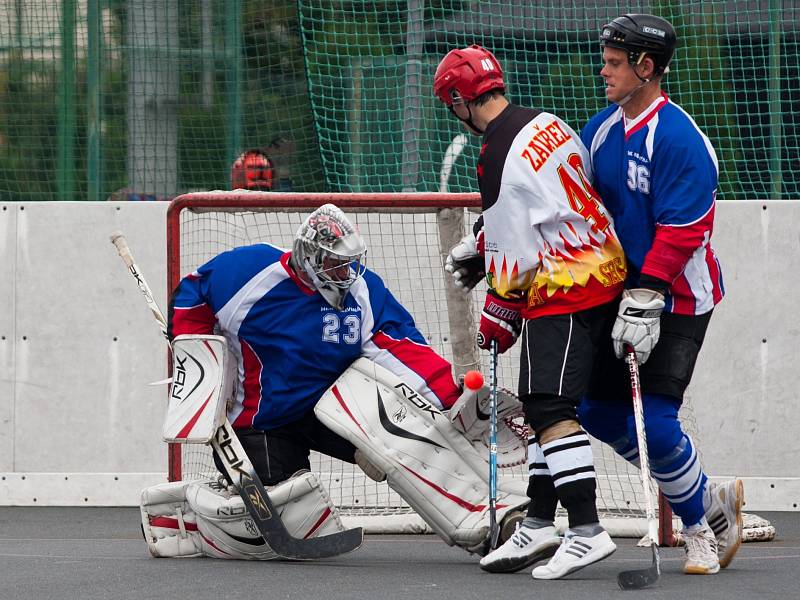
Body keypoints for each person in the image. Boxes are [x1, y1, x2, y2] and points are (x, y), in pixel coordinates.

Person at [162, 203, 530, 558]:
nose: (345, 273)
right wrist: (202, 365)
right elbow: (193, 294)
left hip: (332, 412)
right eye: (335, 264)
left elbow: (401, 347)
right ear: (308, 255)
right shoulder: (248, 271)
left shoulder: (363, 291)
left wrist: (452, 400)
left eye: (349, 263)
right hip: (262, 421)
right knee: (286, 518)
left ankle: (491, 522)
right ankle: (191, 520)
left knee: (411, 439)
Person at [434, 44, 627, 580]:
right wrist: (483, 241)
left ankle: (586, 529)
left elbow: (515, 257)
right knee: (544, 406)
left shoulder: (494, 151)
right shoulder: (547, 122)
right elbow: (548, 199)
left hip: (565, 286)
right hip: (600, 268)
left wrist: (499, 306)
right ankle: (541, 521)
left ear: (458, 99)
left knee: (548, 408)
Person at [578, 13, 744, 575]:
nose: (604, 71)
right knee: (595, 410)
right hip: (620, 293)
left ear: (646, 68)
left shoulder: (679, 138)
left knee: (656, 419)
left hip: (679, 298)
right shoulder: (600, 130)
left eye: (615, 63)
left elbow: (686, 226)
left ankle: (702, 532)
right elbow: (572, 202)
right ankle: (703, 494)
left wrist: (647, 293)